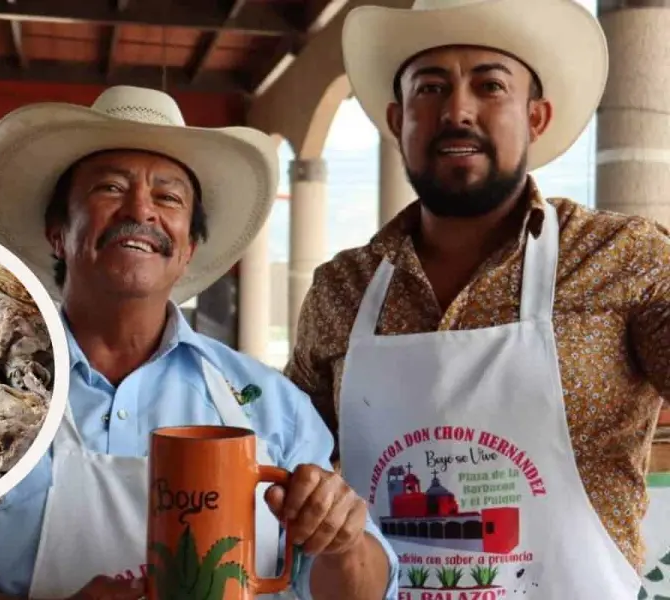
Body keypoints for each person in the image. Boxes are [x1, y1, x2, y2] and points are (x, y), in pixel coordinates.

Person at [0, 85, 400, 600]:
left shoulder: (268, 404)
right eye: (109, 188)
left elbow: (357, 588)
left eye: (169, 197)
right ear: (58, 232)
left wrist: (342, 541)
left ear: (189, 248)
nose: (142, 210)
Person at [284, 0, 670, 598]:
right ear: (397, 119)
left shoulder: (621, 257)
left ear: (536, 117)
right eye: (430, 89)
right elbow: (289, 457)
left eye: (489, 85)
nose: (456, 111)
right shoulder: (343, 288)